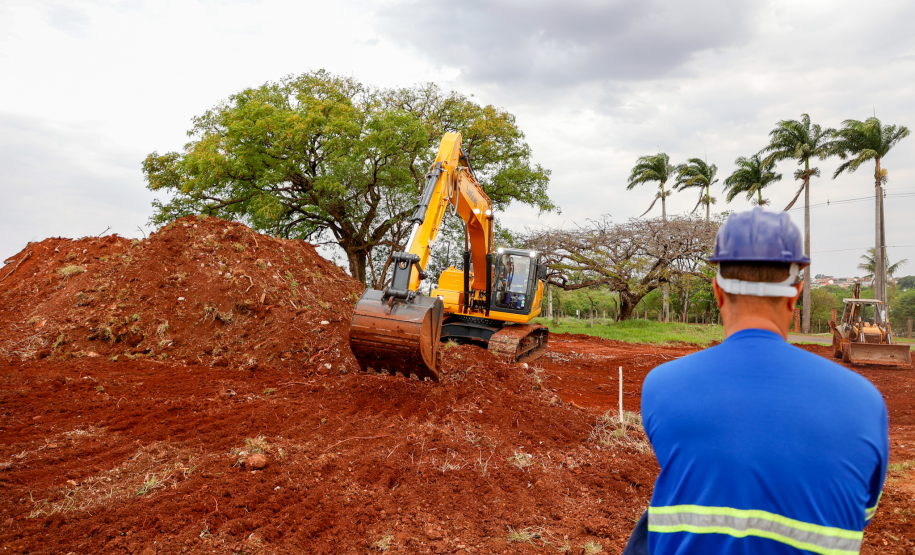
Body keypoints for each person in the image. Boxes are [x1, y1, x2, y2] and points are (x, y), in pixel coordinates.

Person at [624, 208, 888, 555]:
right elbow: (861, 511)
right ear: (796, 294)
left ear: (718, 292)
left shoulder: (661, 386)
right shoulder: (865, 402)